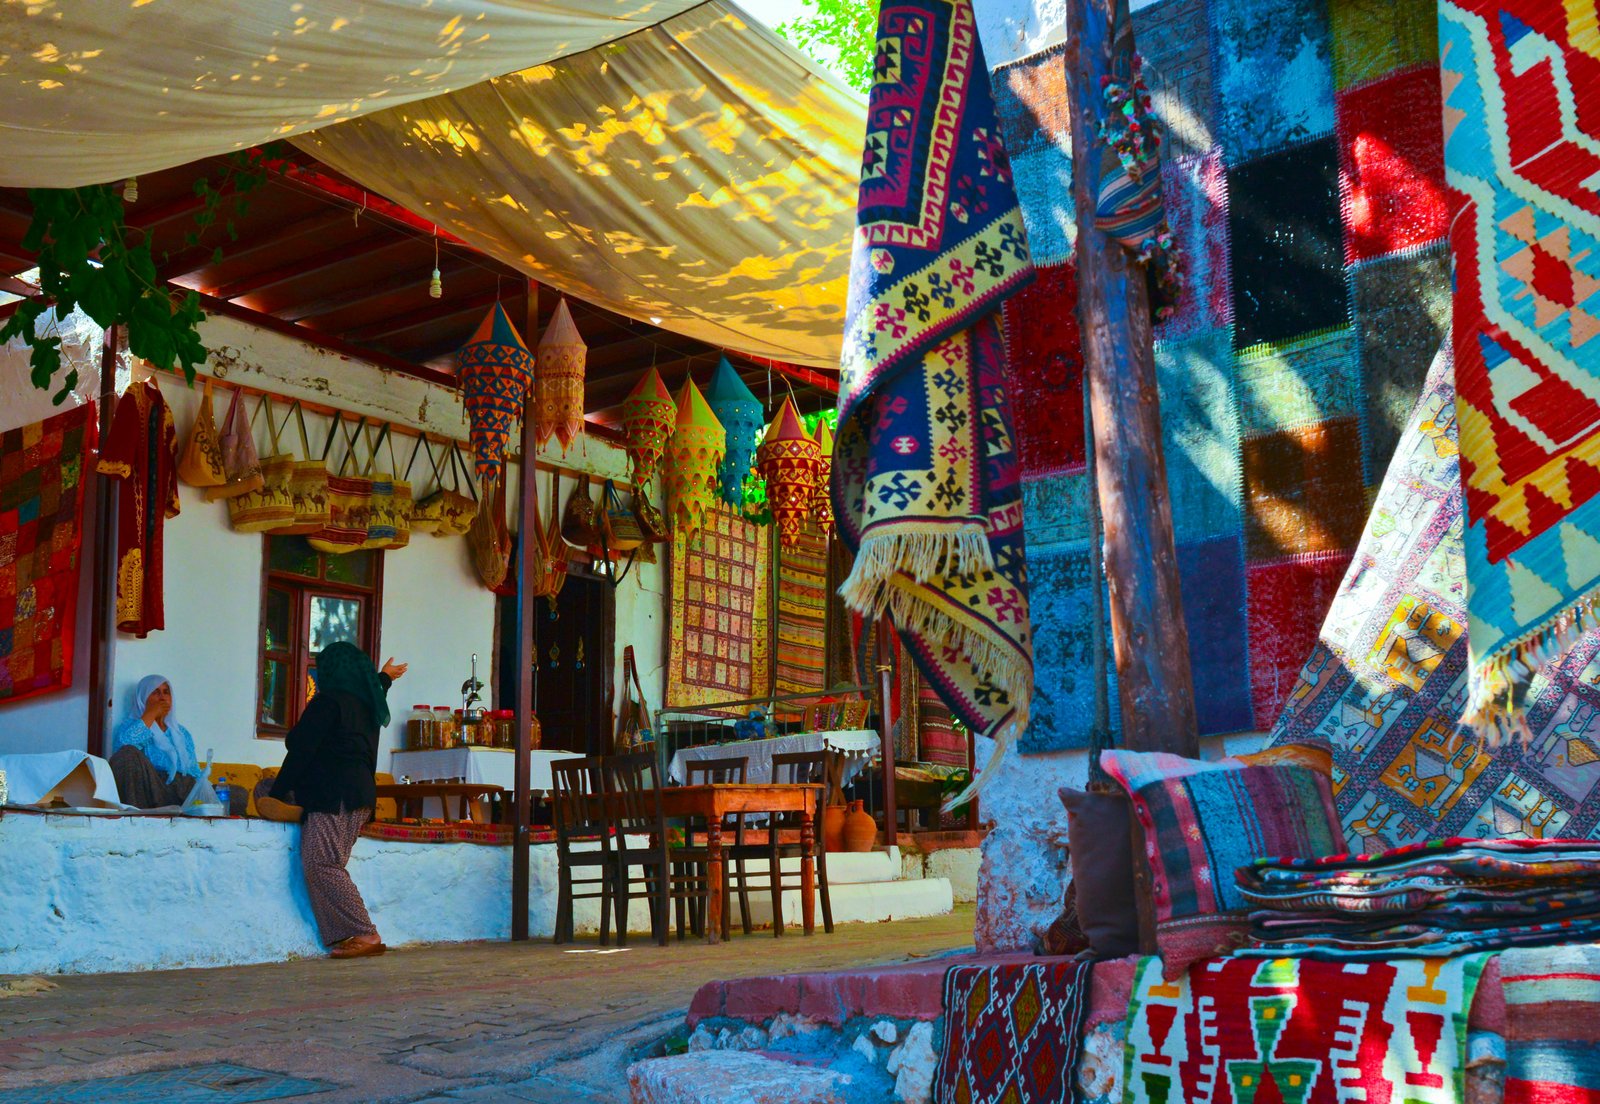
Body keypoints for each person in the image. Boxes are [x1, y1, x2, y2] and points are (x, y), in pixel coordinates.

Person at [268, 643, 407, 960]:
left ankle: (365, 934)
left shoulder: (328, 703)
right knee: (323, 863)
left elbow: (301, 753)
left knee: (323, 864)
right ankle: (350, 934)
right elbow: (374, 689)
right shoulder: (367, 703)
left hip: (335, 795)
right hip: (358, 796)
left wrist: (277, 795)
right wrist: (383, 677)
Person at [109, 675, 200, 809]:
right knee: (128, 753)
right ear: (142, 699)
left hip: (182, 791)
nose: (162, 698)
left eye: (166, 692)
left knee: (235, 794)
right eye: (155, 692)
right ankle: (135, 818)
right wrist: (150, 714)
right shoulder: (130, 725)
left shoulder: (181, 733)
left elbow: (194, 772)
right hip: (151, 791)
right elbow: (123, 750)